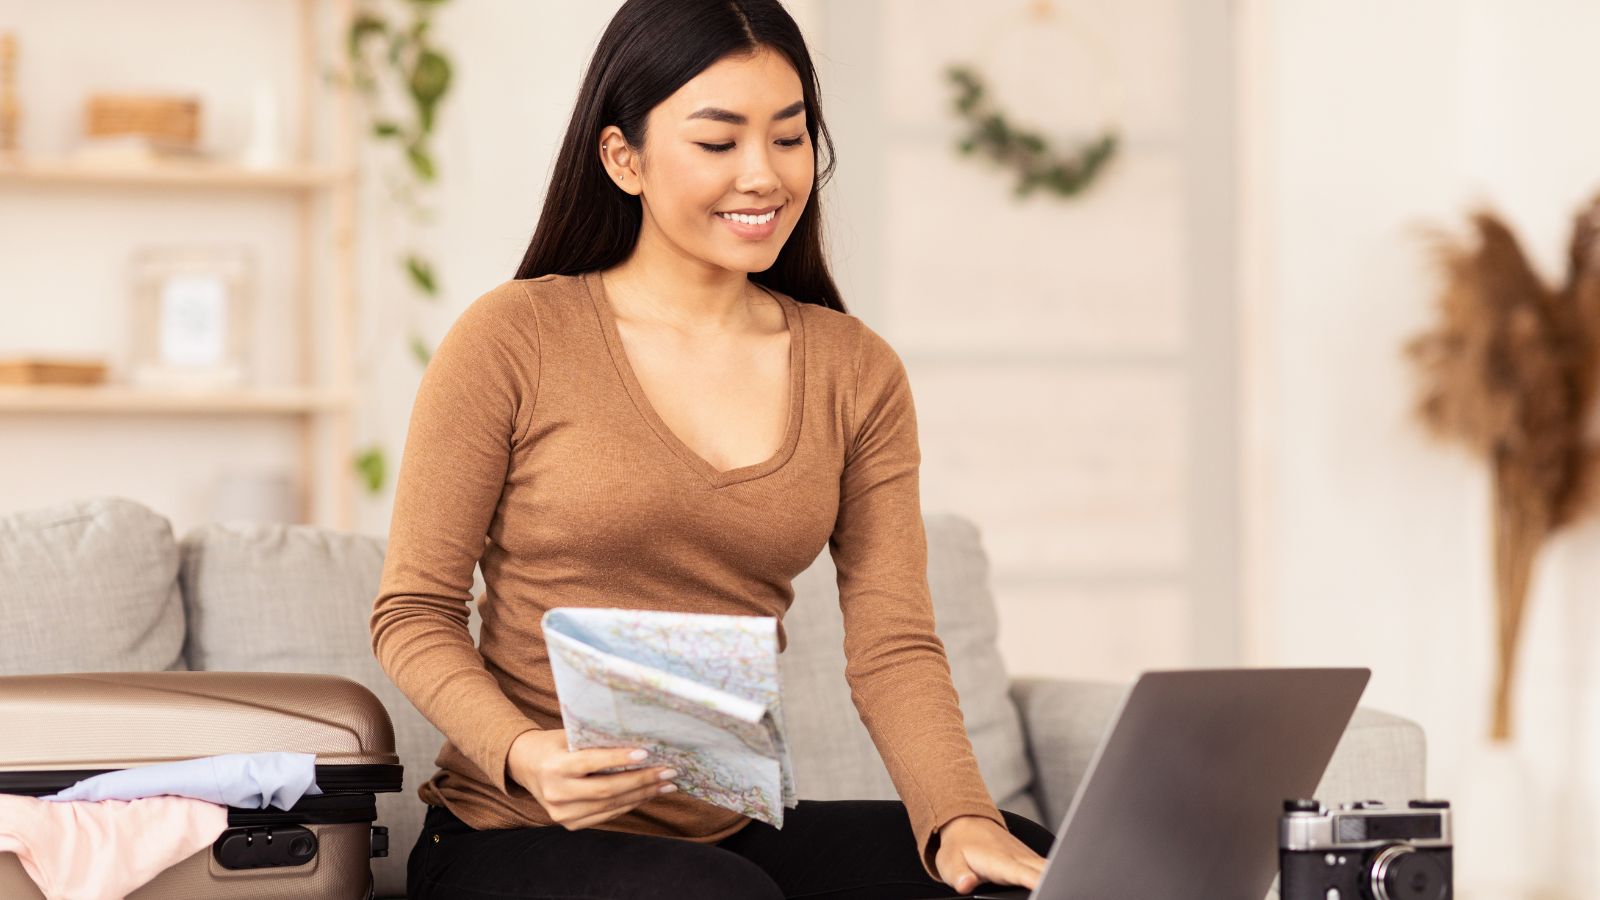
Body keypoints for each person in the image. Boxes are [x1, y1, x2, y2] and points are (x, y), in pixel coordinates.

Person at [369, 1, 1054, 897]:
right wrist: (524, 753)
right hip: (510, 832)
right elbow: (413, 612)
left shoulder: (855, 370)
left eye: (789, 136)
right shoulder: (515, 336)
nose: (763, 176)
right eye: (718, 142)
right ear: (624, 158)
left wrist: (957, 817)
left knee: (1019, 857)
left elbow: (892, 644)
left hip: (724, 836)